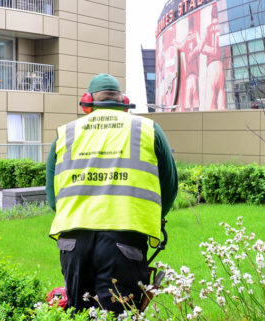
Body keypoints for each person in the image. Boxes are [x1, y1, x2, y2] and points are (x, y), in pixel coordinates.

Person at [45, 73, 178, 314]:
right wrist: (154, 217)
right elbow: (169, 187)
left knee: (80, 313)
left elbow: (53, 199)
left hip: (73, 244)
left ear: (87, 103)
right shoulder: (148, 130)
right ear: (124, 103)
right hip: (125, 241)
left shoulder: (65, 134)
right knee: (120, 313)